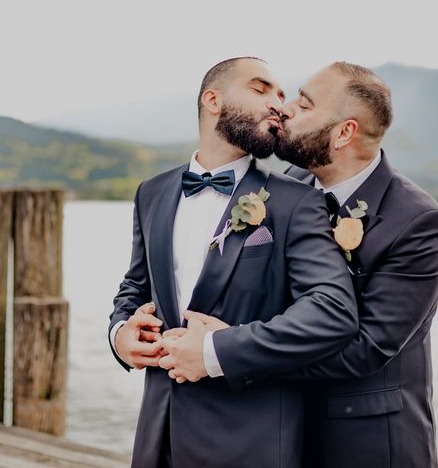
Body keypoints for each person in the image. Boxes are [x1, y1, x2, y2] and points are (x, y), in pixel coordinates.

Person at [161, 62, 438, 468]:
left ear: (344, 133)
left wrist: (226, 350)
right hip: (276, 433)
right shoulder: (285, 189)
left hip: (367, 444)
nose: (285, 109)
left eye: (305, 104)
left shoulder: (418, 221)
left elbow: (366, 349)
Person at [108, 57, 358, 468]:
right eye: (261, 90)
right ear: (213, 100)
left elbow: (333, 312)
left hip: (249, 442)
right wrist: (121, 334)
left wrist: (214, 351)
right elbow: (135, 285)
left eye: (282, 95)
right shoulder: (151, 192)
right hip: (158, 435)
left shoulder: (297, 202)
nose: (278, 104)